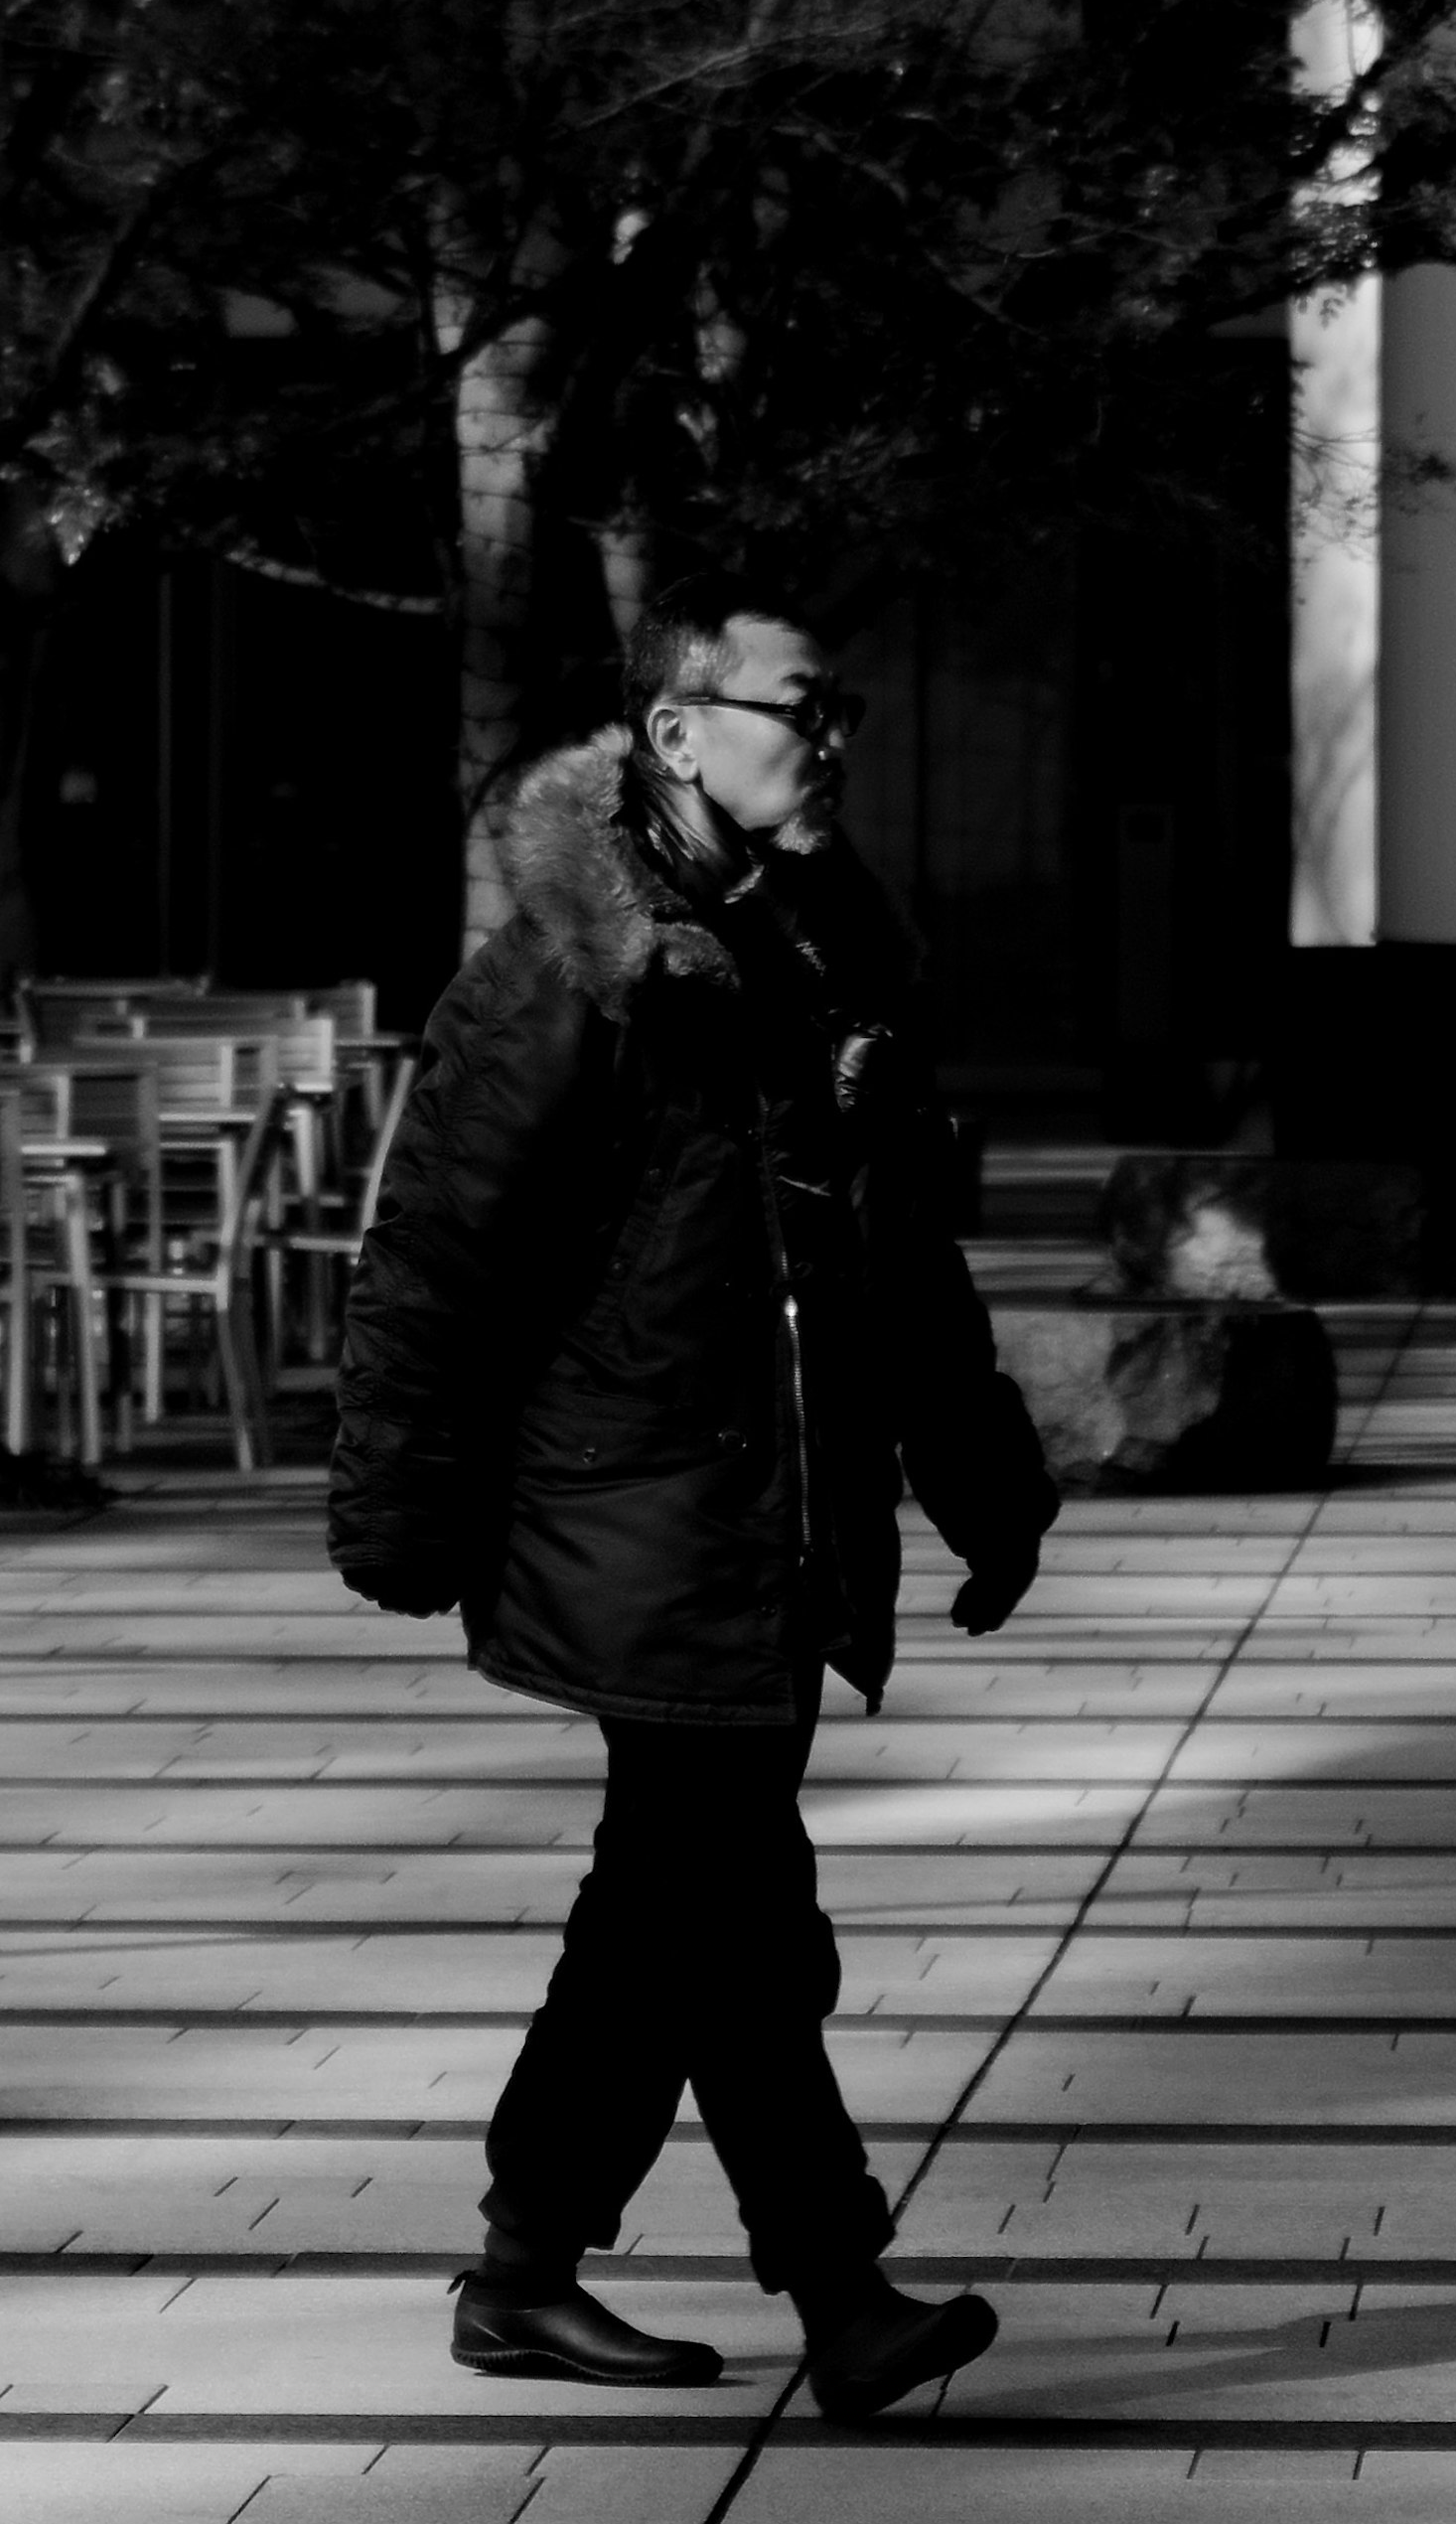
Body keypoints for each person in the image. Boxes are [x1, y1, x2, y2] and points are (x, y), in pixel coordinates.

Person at [330, 611, 1055, 2411]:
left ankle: (531, 2275)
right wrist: (399, 1517)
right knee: (728, 1907)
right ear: (675, 730)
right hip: (636, 1513)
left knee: (681, 1909)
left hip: (768, 1516)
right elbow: (436, 1254)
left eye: (842, 706)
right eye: (803, 710)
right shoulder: (559, 976)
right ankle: (836, 2289)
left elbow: (899, 1252)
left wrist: (981, 1471)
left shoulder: (817, 954)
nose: (834, 740)